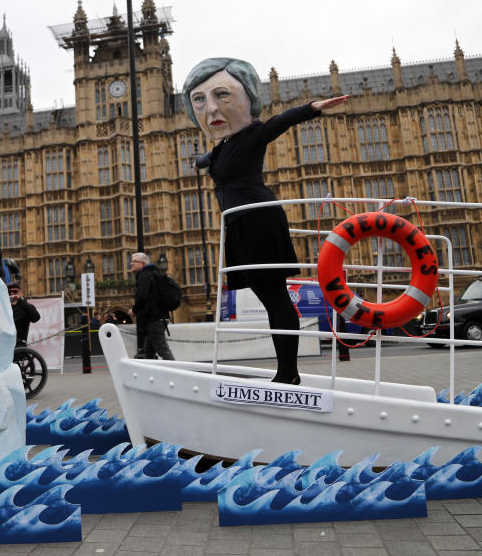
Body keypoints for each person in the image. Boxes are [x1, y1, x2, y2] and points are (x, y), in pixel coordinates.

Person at [187, 57, 348, 383]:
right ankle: (286, 371)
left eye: (222, 97)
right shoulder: (222, 147)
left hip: (259, 220)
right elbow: (209, 160)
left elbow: (280, 122)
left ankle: (288, 373)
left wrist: (312, 107)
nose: (212, 109)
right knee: (269, 298)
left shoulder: (253, 133)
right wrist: (198, 161)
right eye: (201, 101)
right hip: (238, 225)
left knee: (275, 298)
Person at [131, 252, 175, 361]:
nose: (131, 263)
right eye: (131, 261)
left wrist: (134, 310)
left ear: (143, 263)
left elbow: (142, 296)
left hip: (154, 318)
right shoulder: (153, 274)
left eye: (134, 261)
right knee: (149, 351)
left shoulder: (145, 274)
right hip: (159, 317)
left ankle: (178, 373)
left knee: (162, 349)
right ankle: (148, 374)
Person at [8, 282, 40, 347]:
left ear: (20, 293)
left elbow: (36, 317)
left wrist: (19, 300)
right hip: (5, 344)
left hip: (19, 344)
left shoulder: (25, 307)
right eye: (9, 292)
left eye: (15, 291)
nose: (12, 294)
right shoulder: (4, 307)